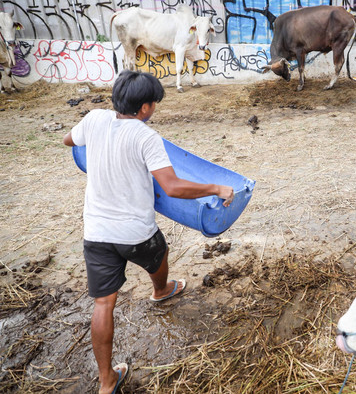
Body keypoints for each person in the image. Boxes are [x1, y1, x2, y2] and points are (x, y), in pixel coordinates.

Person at [63, 70, 234, 394]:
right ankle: (160, 290)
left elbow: (69, 140)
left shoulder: (95, 119)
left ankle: (106, 382)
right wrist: (215, 187)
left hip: (96, 231)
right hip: (135, 232)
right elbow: (171, 187)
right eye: (154, 103)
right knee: (159, 253)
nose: (155, 108)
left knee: (103, 304)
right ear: (144, 108)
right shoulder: (145, 137)